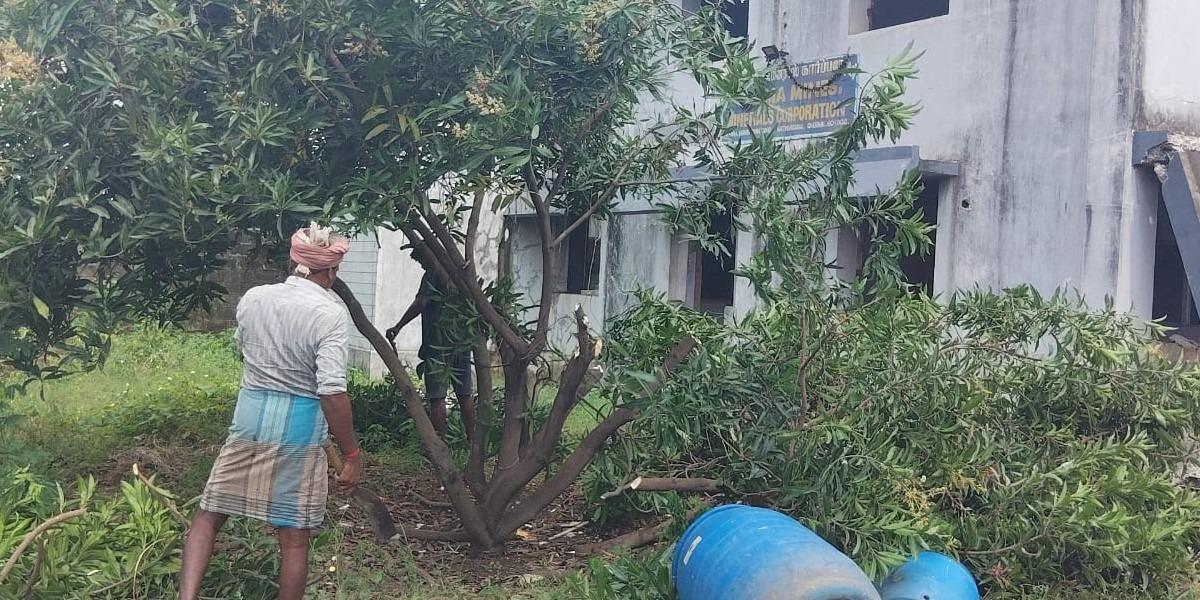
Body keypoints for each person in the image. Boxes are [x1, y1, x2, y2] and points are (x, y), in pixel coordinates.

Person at [179, 224, 362, 600]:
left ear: (293, 262)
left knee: (209, 514)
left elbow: (243, 347)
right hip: (299, 429)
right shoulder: (330, 314)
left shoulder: (254, 298)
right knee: (293, 540)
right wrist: (352, 454)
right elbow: (331, 391)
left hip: (250, 420)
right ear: (331, 271)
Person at [385, 252, 475, 438]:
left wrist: (398, 326)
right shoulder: (458, 273)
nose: (422, 265)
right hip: (461, 343)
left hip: (438, 345)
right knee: (465, 394)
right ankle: (473, 440)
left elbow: (421, 302)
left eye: (421, 260)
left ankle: (438, 442)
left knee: (437, 397)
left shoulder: (433, 275)